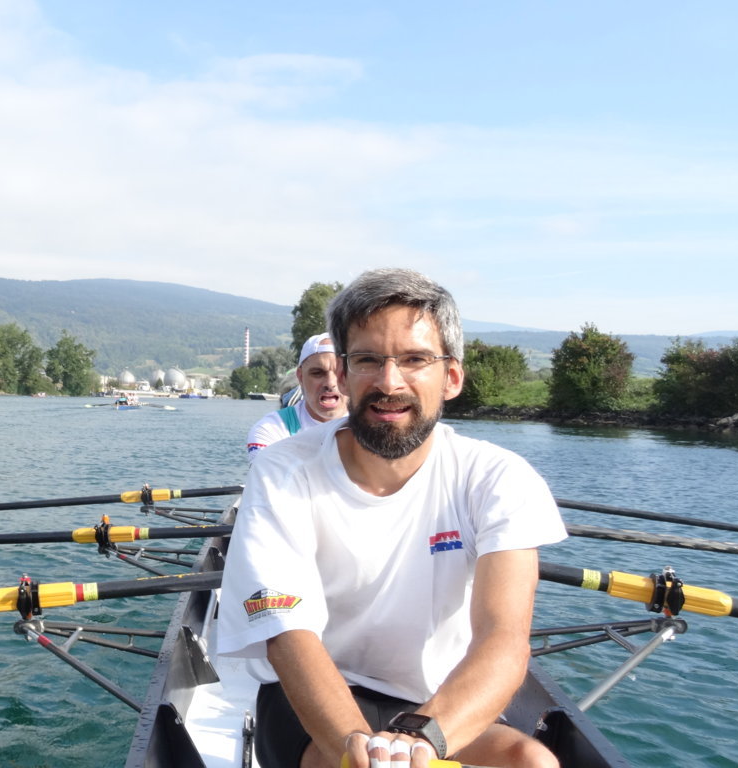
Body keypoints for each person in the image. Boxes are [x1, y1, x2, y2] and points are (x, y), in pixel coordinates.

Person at [217, 268, 567, 768]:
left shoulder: (497, 478)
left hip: (436, 700)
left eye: (414, 359)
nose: (389, 382)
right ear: (343, 375)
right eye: (367, 360)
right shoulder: (282, 471)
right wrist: (363, 747)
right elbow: (288, 637)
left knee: (534, 761)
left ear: (451, 377)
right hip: (316, 693)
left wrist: (421, 739)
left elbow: (503, 640)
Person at [245, 333, 347, 459]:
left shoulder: (368, 427)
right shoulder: (270, 429)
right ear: (300, 376)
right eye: (317, 373)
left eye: (340, 373)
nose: (330, 383)